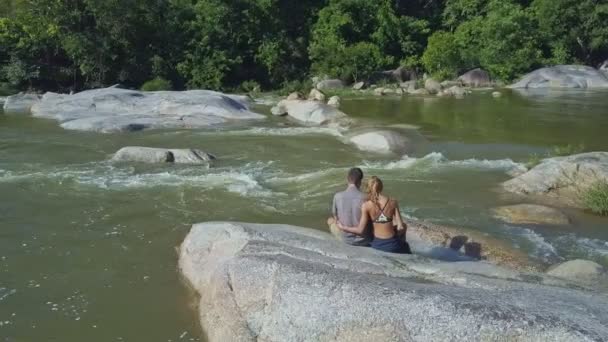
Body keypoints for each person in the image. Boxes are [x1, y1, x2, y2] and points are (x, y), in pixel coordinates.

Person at [338, 176, 411, 254]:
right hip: (394, 245)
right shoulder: (393, 202)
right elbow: (401, 227)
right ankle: (402, 247)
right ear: (381, 187)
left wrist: (343, 227)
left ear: (368, 188)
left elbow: (360, 230)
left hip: (378, 245)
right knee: (404, 227)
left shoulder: (366, 205)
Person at [328, 167, 372, 246]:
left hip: (346, 239)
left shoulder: (337, 196)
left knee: (330, 220)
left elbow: (336, 218)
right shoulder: (366, 198)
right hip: (365, 239)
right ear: (360, 181)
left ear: (347, 179)